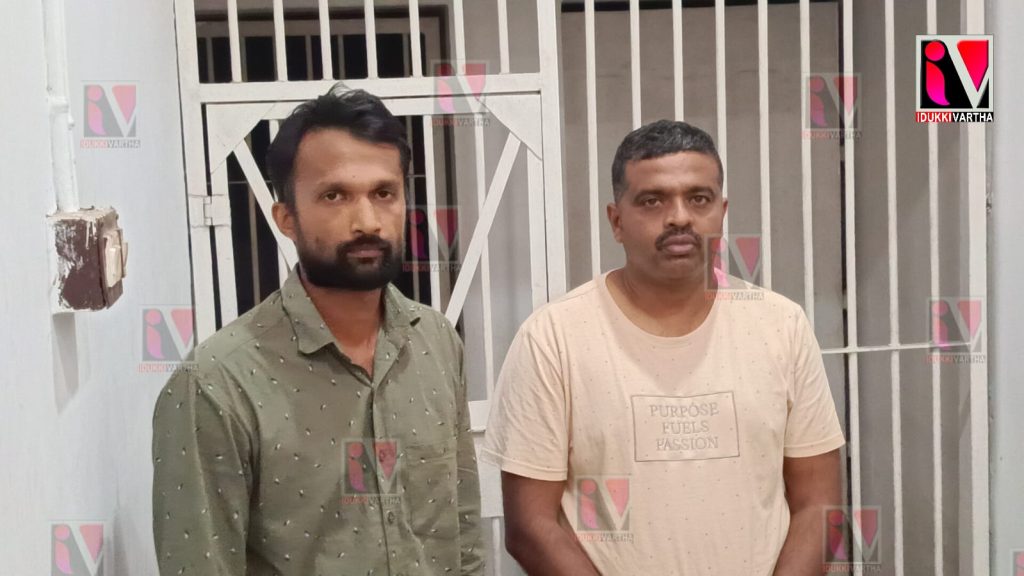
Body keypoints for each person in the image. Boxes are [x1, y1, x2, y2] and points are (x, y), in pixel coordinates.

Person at [481, 120, 844, 575]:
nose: (679, 218)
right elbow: (531, 527)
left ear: (722, 212)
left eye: (699, 198)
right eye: (653, 201)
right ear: (616, 221)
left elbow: (819, 507)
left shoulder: (781, 325)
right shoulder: (553, 338)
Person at [152, 88, 483, 576]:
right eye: (335, 195)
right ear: (286, 218)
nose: (367, 221)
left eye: (384, 193)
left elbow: (464, 533)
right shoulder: (215, 383)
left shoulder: (436, 342)